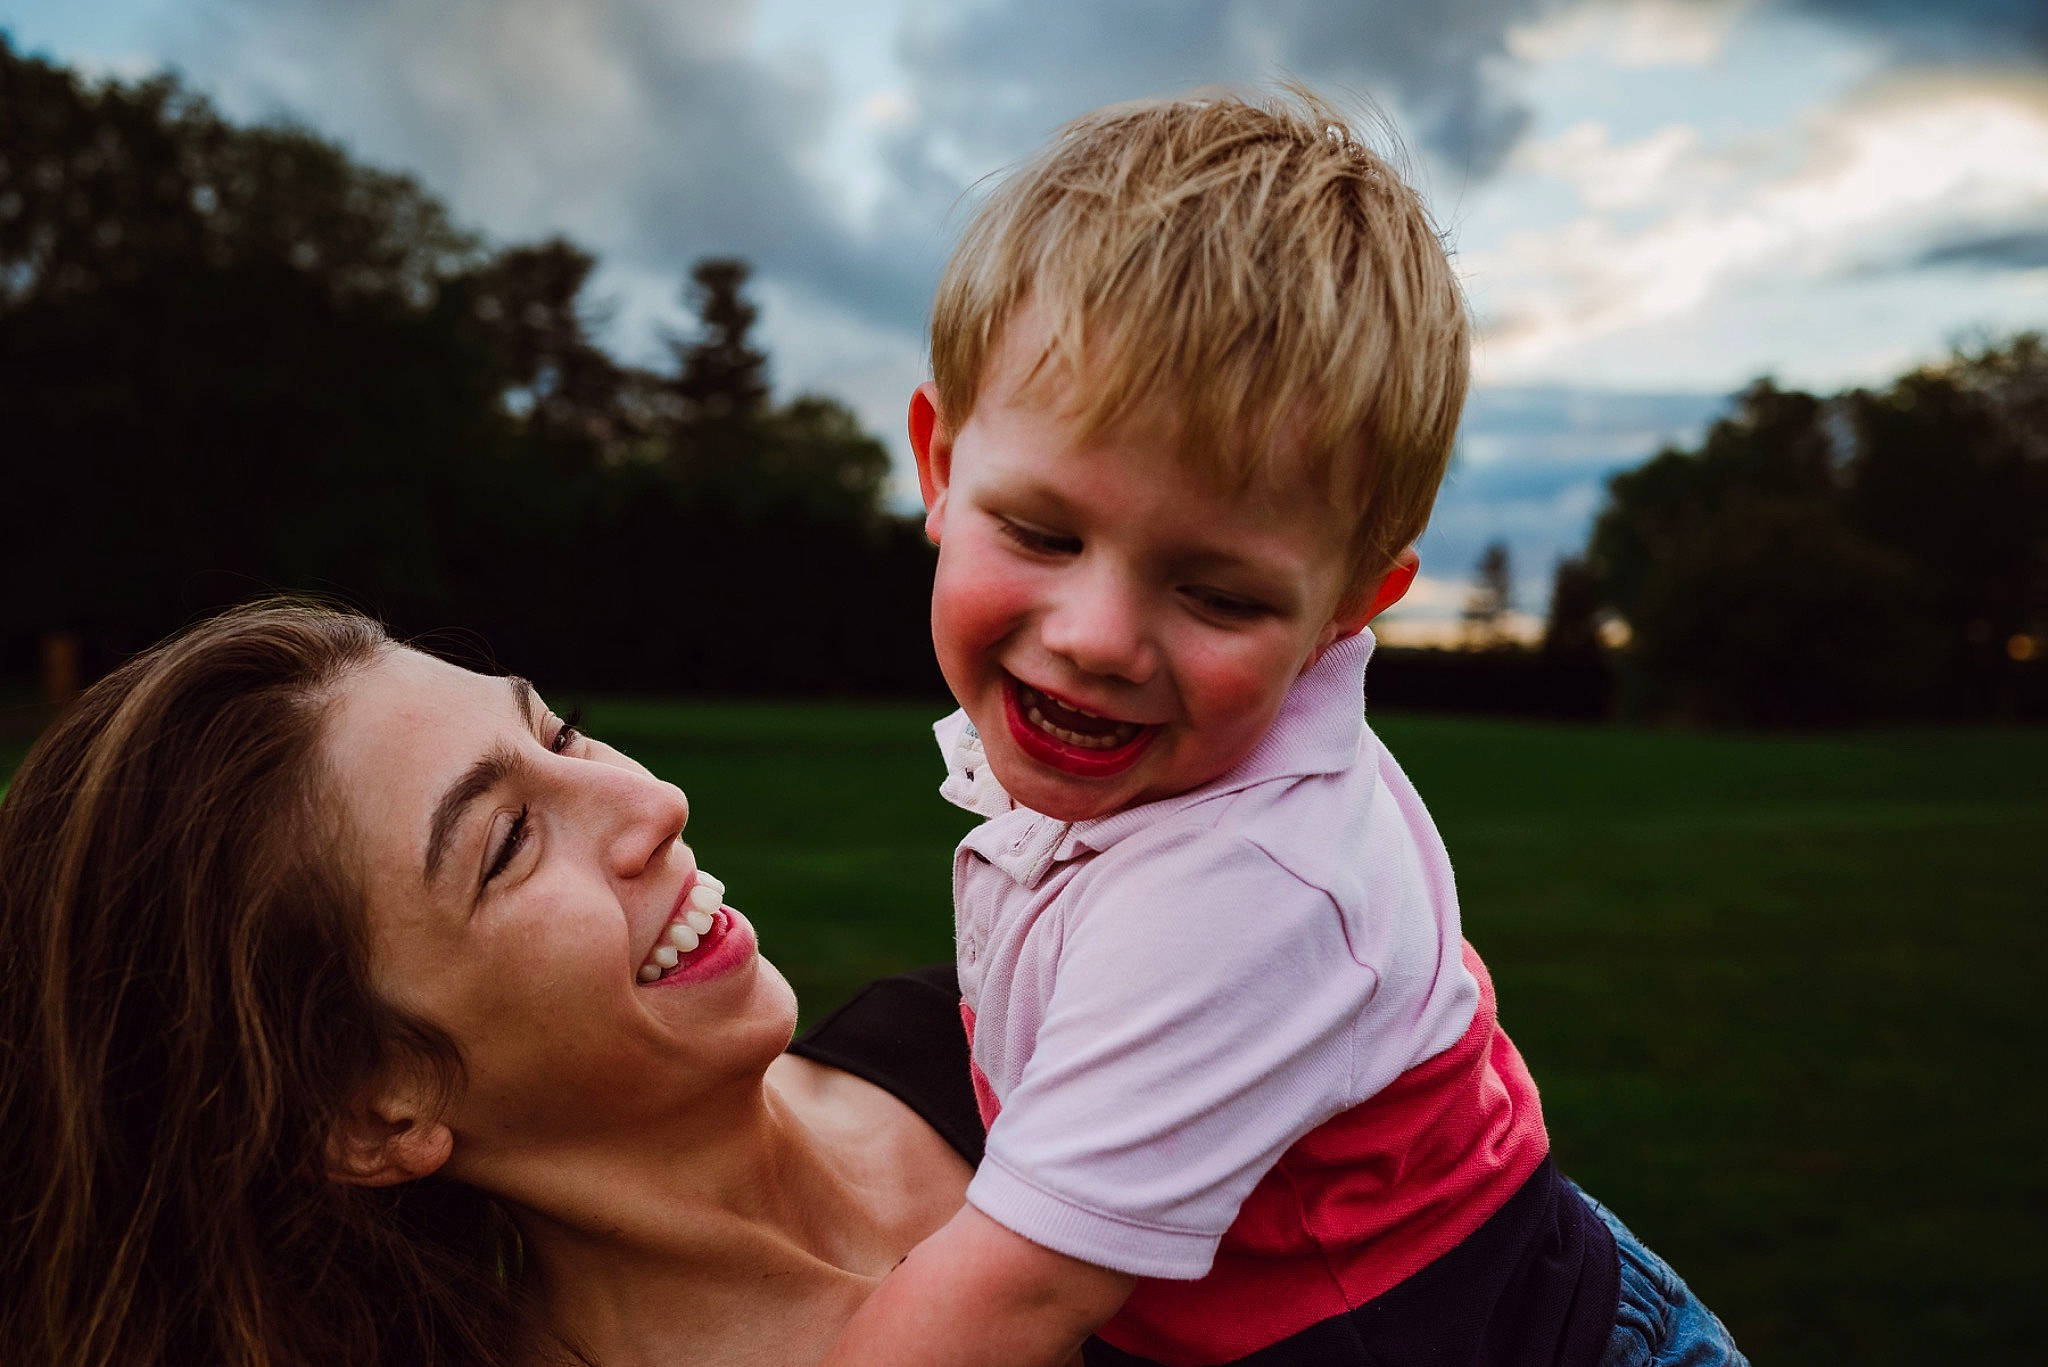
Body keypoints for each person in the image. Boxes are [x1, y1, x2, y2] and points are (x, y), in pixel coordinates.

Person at [822, 91, 1748, 1367]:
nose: (1097, 633)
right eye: (1041, 531)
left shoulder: (1245, 889)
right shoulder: (1146, 770)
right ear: (937, 464)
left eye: (1218, 594)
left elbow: (1006, 1302)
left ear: (1346, 610)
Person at [0, 600, 991, 1367]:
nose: (653, 798)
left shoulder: (1004, 1041)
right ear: (368, 1114)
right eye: (507, 841)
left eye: (559, 736)